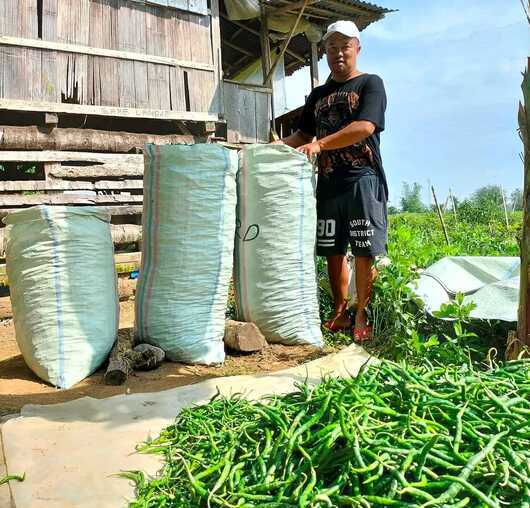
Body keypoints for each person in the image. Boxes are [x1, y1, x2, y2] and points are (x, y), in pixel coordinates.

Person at [274, 20, 388, 342]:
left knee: (364, 249)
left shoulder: (370, 84)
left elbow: (365, 126)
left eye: (345, 47)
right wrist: (269, 150)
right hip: (327, 183)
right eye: (332, 47)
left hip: (362, 179)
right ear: (325, 51)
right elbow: (301, 135)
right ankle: (340, 311)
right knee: (331, 249)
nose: (339, 53)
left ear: (357, 49)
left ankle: (362, 313)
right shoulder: (318, 95)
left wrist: (322, 144)